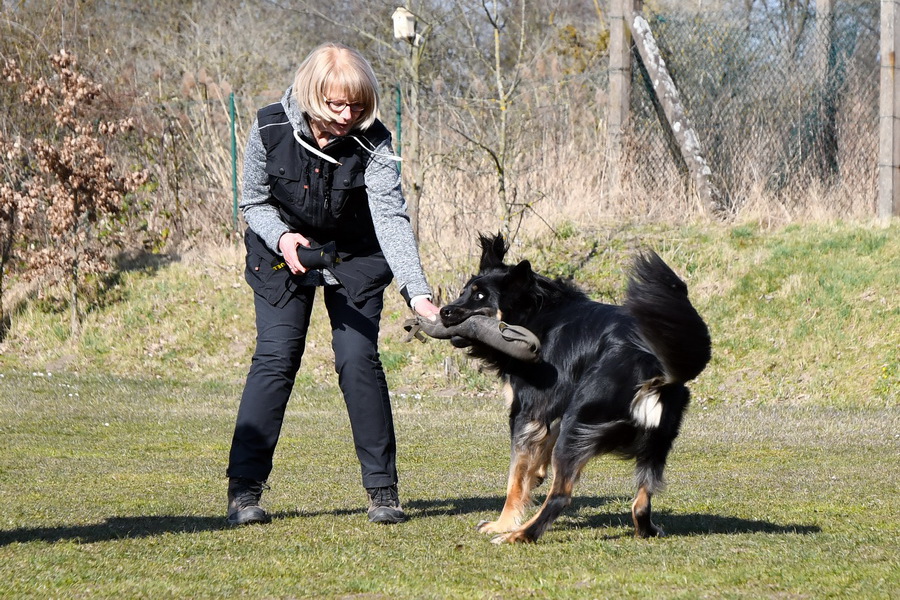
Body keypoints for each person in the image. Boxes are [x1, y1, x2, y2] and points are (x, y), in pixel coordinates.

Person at [226, 42, 440, 526]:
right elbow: (253, 202)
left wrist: (418, 292)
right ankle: (244, 492)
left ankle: (383, 493)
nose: (348, 115)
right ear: (312, 96)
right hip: (283, 253)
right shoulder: (268, 128)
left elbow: (390, 218)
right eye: (337, 105)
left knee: (358, 359)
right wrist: (282, 239)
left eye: (358, 105)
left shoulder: (375, 142)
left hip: (356, 256)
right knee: (276, 357)